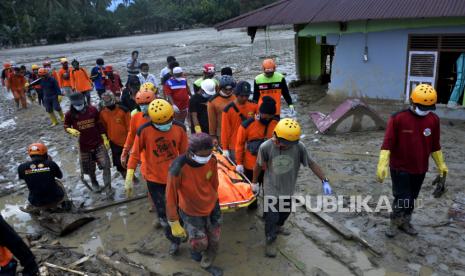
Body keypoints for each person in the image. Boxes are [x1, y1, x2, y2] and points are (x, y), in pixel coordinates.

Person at [376, 84, 448, 238]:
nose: (425, 110)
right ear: (412, 102)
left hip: (420, 167)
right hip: (400, 167)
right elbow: (387, 144)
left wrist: (441, 165)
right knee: (403, 197)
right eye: (422, 106)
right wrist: (382, 164)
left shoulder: (433, 120)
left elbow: (435, 146)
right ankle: (394, 222)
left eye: (429, 107)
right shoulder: (398, 118)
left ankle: (406, 221)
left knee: (412, 198)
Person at [253, 118, 332, 257]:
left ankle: (278, 227)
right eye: (280, 143)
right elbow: (258, 165)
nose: (282, 146)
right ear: (275, 135)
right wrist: (254, 183)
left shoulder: (299, 147)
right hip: (271, 188)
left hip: (287, 189)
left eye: (286, 145)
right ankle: (270, 240)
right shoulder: (265, 147)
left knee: (284, 213)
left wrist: (324, 180)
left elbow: (312, 164)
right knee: (271, 217)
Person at [125, 99, 188, 255]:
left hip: (175, 176)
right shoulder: (144, 131)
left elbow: (186, 154)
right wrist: (129, 174)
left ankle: (182, 229)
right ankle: (174, 241)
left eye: (168, 121)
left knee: (181, 209)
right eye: (161, 123)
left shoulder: (180, 128)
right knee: (163, 213)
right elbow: (134, 154)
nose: (165, 125)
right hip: (155, 179)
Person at [166, 133, 223, 274]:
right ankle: (195, 250)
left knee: (214, 238)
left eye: (209, 154)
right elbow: (170, 196)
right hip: (191, 211)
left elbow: (214, 183)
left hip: (212, 205)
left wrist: (215, 200)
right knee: (200, 242)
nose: (206, 158)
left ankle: (207, 263)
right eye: (203, 156)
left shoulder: (212, 160)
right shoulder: (178, 167)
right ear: (191, 153)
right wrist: (173, 221)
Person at [64, 93, 112, 192]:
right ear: (72, 104)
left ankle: (108, 186)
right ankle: (94, 182)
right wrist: (69, 130)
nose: (79, 106)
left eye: (80, 104)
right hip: (83, 146)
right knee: (90, 169)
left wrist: (104, 137)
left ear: (84, 101)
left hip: (98, 142)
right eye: (76, 105)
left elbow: (99, 123)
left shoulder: (93, 110)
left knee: (106, 165)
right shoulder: (69, 114)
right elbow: (66, 125)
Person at [18, 143, 71, 213]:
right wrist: (49, 163)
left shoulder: (21, 167)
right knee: (58, 182)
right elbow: (60, 176)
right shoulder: (51, 164)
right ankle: (65, 202)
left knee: (33, 185)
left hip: (37, 202)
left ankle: (33, 208)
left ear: (30, 155)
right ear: (45, 153)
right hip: (56, 199)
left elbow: (22, 178)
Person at [235, 96, 279, 181]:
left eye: (270, 118)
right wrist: (239, 163)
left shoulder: (277, 124)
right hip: (251, 166)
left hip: (270, 166)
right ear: (259, 112)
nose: (267, 120)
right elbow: (239, 145)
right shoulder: (247, 125)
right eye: (265, 117)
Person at [221, 81, 257, 162]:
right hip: (235, 146)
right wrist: (225, 148)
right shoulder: (228, 110)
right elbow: (225, 130)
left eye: (247, 96)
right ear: (236, 94)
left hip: (251, 145)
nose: (245, 98)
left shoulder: (254, 106)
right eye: (242, 96)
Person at [120, 88, 155, 170]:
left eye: (146, 103)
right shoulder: (136, 117)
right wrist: (124, 153)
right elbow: (131, 136)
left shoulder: (163, 116)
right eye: (141, 104)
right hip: (145, 157)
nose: (143, 106)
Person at [99, 92, 130, 179]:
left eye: (109, 100)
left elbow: (129, 127)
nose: (108, 103)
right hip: (114, 142)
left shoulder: (124, 110)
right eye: (105, 101)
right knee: (119, 164)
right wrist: (105, 139)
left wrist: (130, 142)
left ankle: (132, 176)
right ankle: (126, 178)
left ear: (113, 99)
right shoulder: (102, 113)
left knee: (130, 162)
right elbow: (103, 127)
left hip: (126, 141)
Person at [208, 75, 236, 145]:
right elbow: (212, 121)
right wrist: (213, 136)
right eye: (226, 89)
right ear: (220, 88)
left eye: (230, 89)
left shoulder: (236, 97)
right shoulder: (212, 101)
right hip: (221, 133)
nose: (228, 91)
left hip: (236, 131)